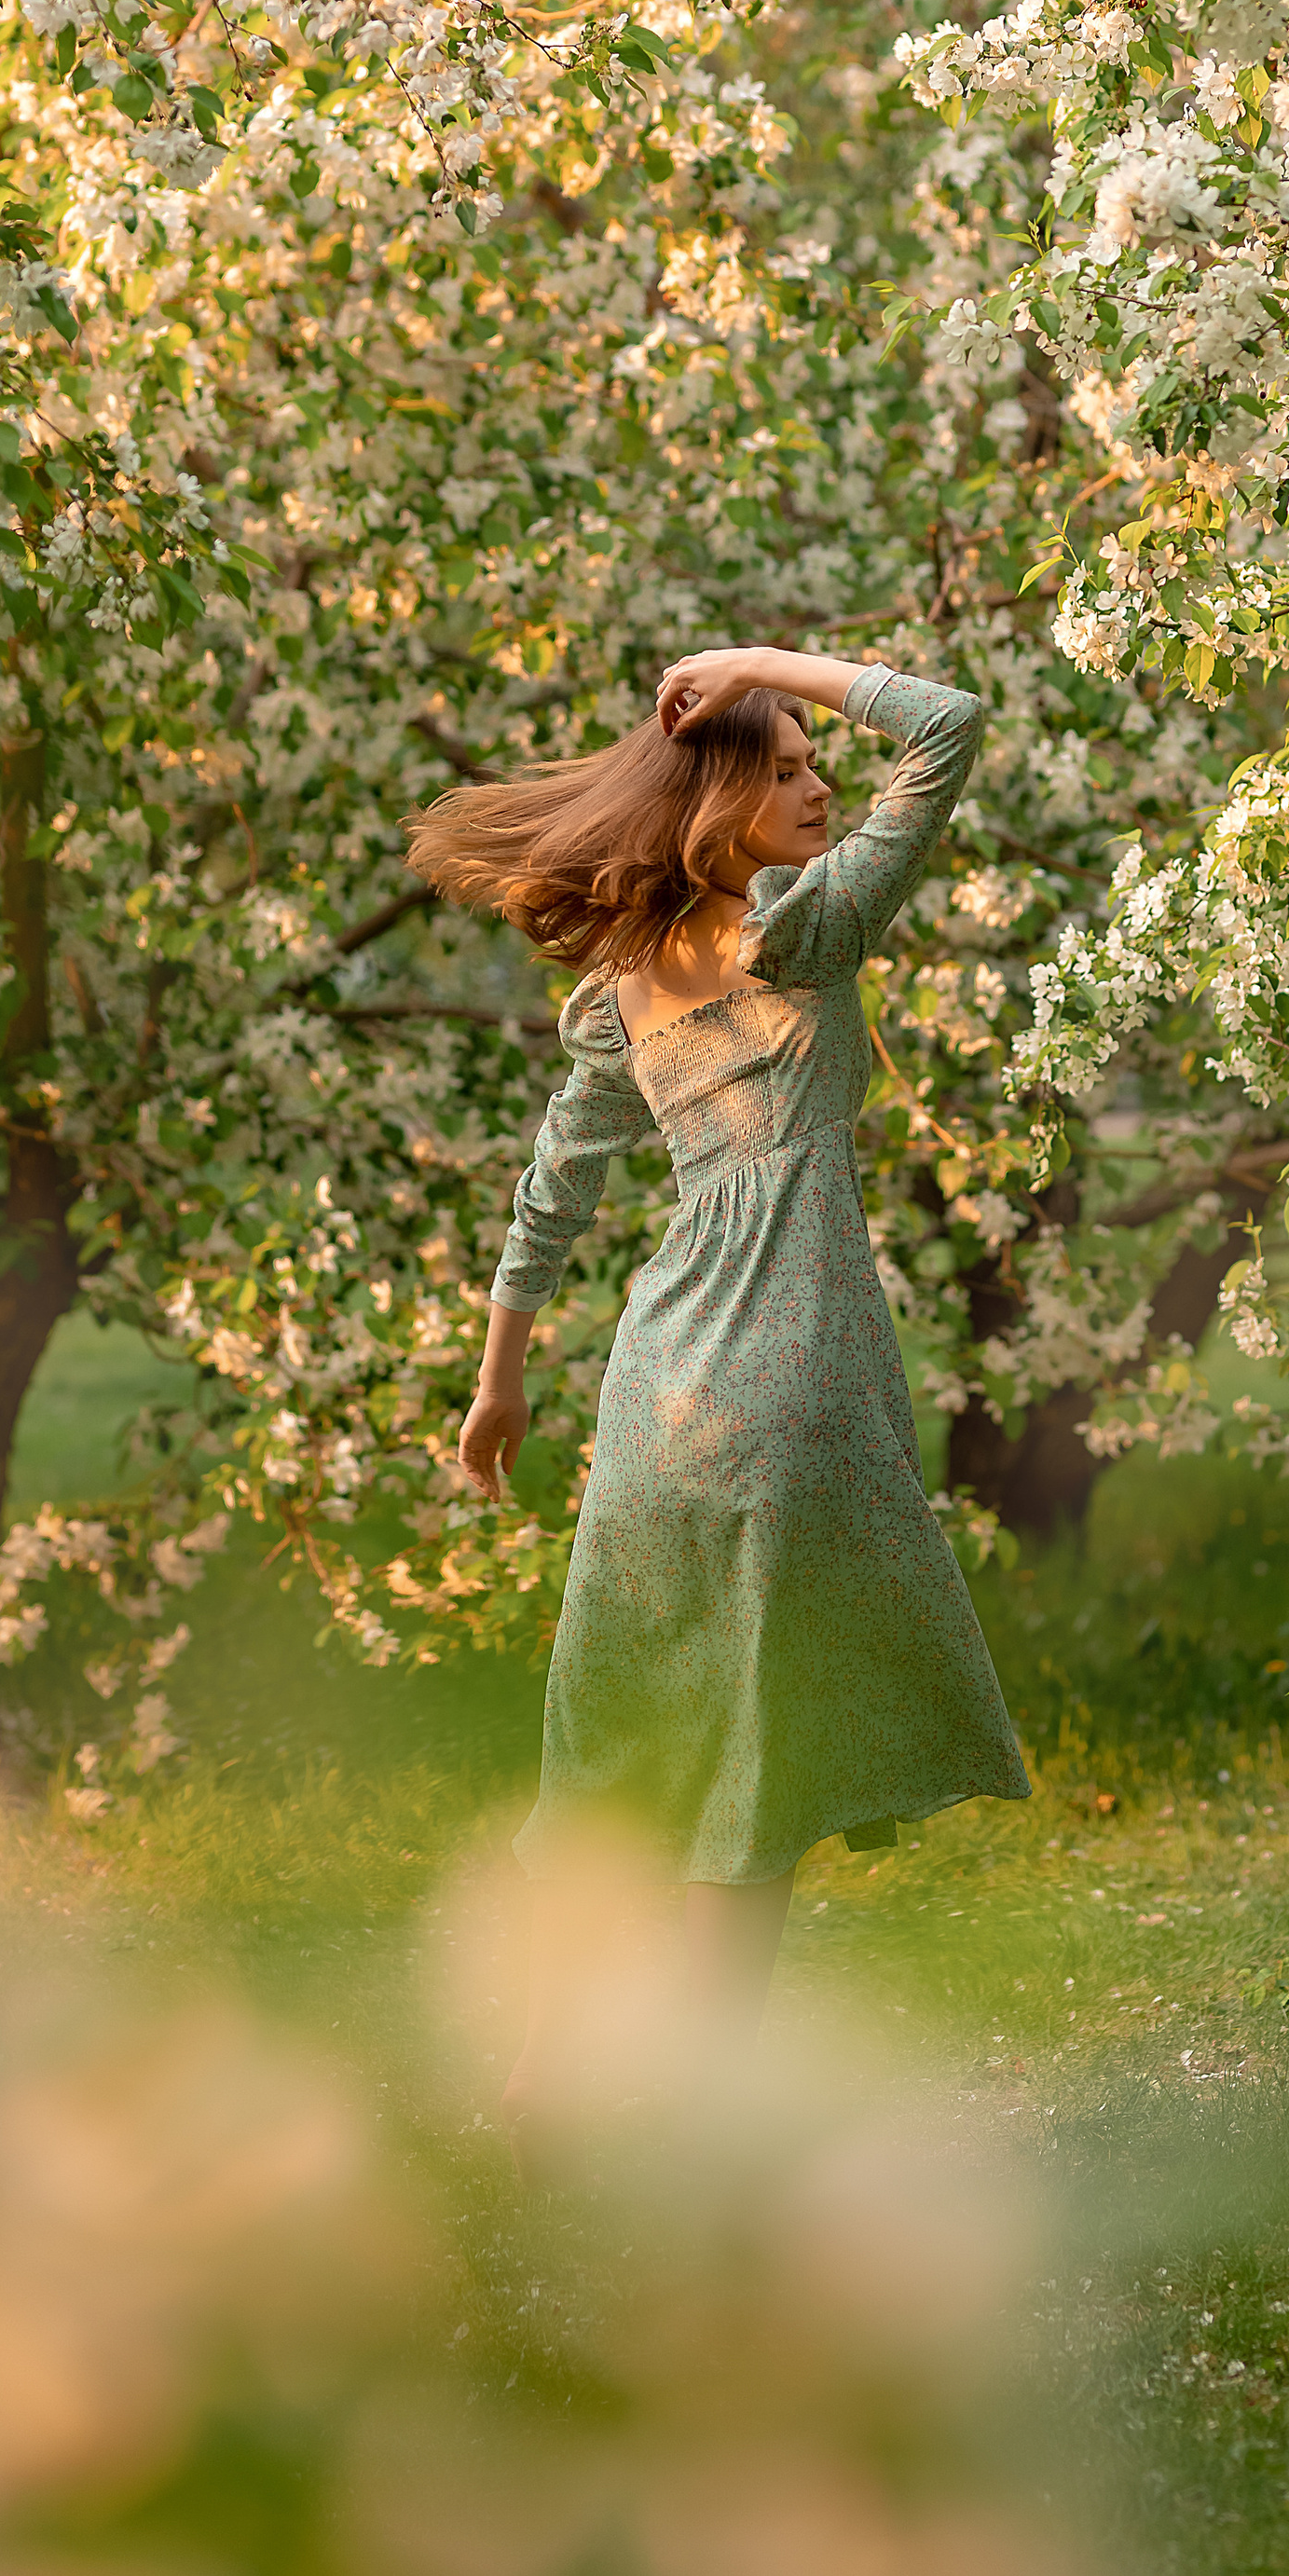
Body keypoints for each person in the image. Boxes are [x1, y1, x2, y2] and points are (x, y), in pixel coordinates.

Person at [406, 645, 1032, 2125]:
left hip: (657, 1388)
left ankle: (536, 2079)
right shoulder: (802, 932)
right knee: (757, 1771)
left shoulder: (627, 989)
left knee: (622, 1742)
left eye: (818, 766)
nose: (820, 786)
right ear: (718, 803)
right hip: (789, 1374)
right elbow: (946, 725)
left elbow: (554, 1192)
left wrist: (498, 1388)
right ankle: (702, 2097)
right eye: (787, 768)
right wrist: (757, 663)